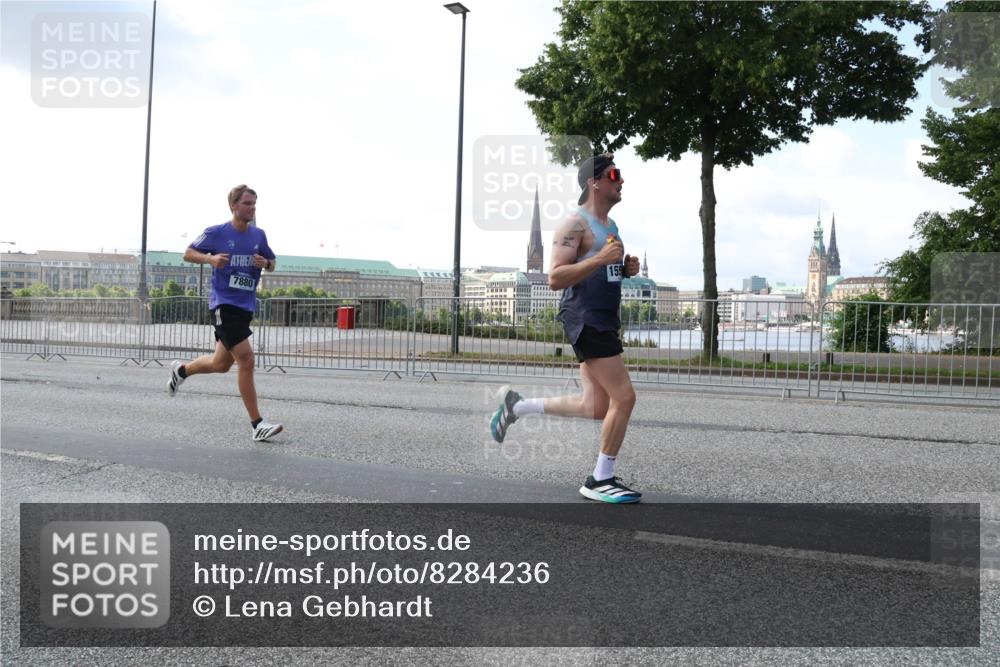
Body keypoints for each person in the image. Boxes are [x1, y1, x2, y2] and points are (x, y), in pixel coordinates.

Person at [490, 153, 642, 503]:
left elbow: (603, 270)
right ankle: (600, 479)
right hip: (586, 318)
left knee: (596, 406)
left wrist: (624, 269)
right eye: (614, 175)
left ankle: (518, 407)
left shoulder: (611, 226)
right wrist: (600, 258)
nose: (621, 181)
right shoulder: (574, 225)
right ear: (594, 182)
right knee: (625, 397)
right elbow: (556, 277)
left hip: (605, 318)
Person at [167, 184, 283, 442]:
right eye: (247, 203)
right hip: (224, 305)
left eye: (254, 204)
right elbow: (188, 253)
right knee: (247, 360)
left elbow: (273, 263)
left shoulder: (259, 235)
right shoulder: (217, 233)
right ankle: (257, 424)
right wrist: (210, 259)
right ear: (233, 205)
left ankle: (181, 371)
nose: (252, 208)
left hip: (245, 306)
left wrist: (266, 263)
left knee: (221, 364)